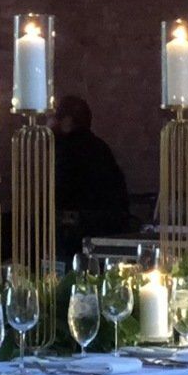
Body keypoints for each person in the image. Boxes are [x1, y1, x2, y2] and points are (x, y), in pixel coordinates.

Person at [53, 94, 130, 259]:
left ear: (67, 121)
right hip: (107, 232)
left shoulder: (66, 150)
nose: (51, 123)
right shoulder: (100, 148)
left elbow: (60, 193)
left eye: (55, 117)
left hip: (74, 236)